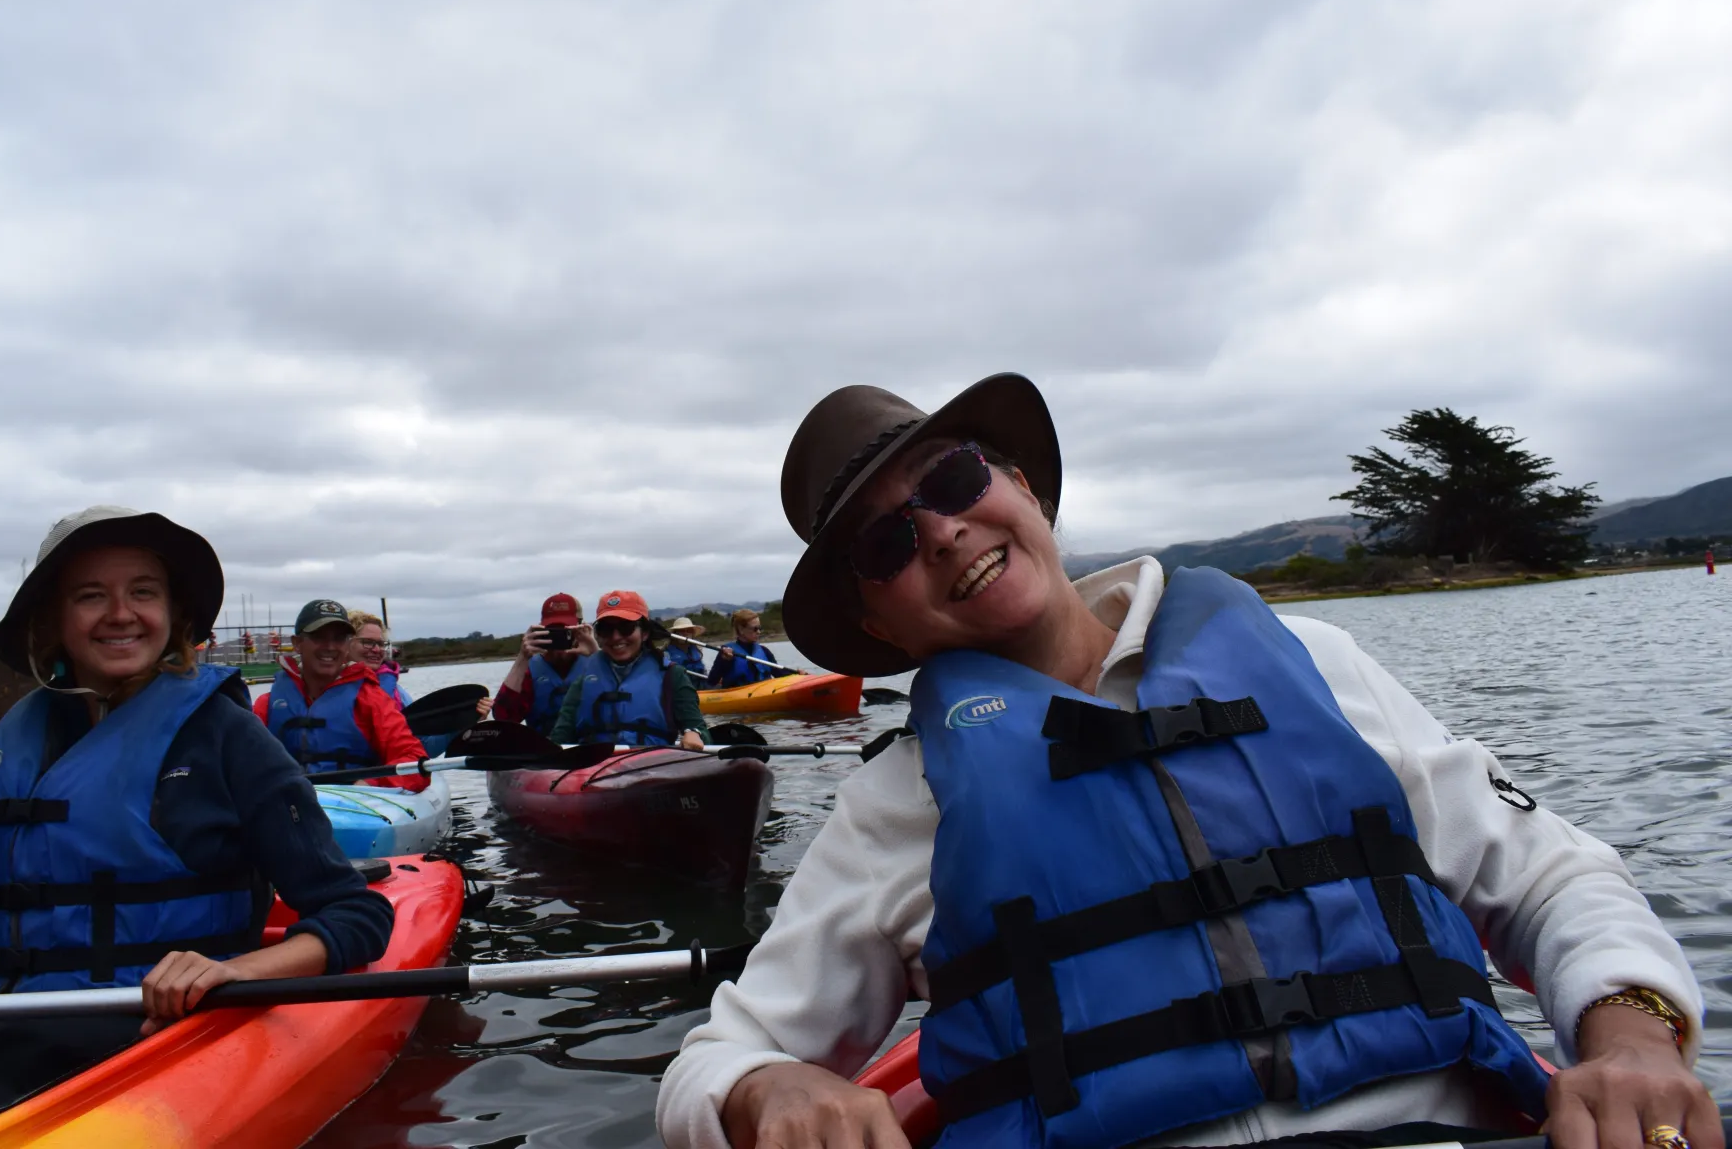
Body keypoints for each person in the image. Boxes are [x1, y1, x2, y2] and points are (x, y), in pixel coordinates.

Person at [660, 375, 1713, 1149]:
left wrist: (1632, 1035)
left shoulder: (1316, 662)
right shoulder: (898, 802)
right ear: (876, 621)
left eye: (952, 477)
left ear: (1021, 484)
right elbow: (714, 1064)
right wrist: (772, 1091)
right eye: (887, 544)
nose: (938, 530)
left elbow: (1549, 875)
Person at [0, 506, 393, 1145]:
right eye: (91, 596)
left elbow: (354, 916)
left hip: (139, 1048)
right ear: (53, 621)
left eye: (143, 592)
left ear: (173, 614)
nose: (121, 613)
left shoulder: (228, 739)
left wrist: (242, 972)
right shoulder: (13, 750)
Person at [254, 599, 429, 791]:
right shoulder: (267, 705)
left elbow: (412, 758)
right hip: (288, 803)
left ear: (347, 646)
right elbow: (240, 761)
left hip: (355, 803)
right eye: (318, 637)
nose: (330, 646)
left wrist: (373, 784)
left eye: (339, 639)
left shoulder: (371, 700)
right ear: (297, 644)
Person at [551, 591, 710, 749]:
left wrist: (694, 733)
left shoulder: (673, 675)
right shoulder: (585, 678)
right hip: (593, 765)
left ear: (645, 633)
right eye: (606, 629)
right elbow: (560, 737)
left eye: (626, 628)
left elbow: (700, 730)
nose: (616, 637)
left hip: (649, 766)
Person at [492, 592, 596, 736]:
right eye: (553, 631)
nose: (559, 638)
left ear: (580, 628)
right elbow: (503, 719)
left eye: (566, 631)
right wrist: (522, 658)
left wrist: (597, 656)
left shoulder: (595, 662)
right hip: (546, 750)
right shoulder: (530, 670)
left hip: (590, 748)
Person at [707, 608, 787, 689]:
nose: (758, 632)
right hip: (738, 696)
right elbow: (712, 681)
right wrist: (724, 661)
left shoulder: (764, 651)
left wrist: (796, 675)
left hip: (764, 693)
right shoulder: (727, 652)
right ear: (741, 629)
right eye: (755, 629)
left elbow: (780, 673)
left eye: (759, 628)